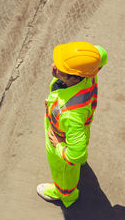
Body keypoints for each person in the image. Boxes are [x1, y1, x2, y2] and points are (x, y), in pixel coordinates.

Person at [37, 41, 108, 208]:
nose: (53, 67)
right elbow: (101, 53)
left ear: (75, 77)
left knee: (64, 172)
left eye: (61, 69)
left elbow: (77, 155)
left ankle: (64, 194)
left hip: (62, 138)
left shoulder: (70, 114)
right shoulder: (90, 68)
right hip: (83, 126)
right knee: (81, 141)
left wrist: (60, 147)